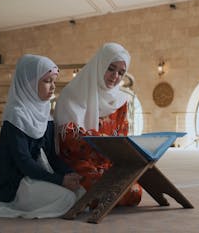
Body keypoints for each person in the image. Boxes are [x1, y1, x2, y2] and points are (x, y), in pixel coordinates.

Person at [0, 54, 83, 218]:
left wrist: (69, 173)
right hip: (16, 184)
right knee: (67, 198)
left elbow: (51, 156)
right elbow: (24, 162)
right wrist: (59, 181)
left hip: (36, 177)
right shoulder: (16, 116)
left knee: (82, 192)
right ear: (29, 83)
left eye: (53, 81)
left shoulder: (45, 114)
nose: (52, 87)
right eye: (46, 81)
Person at [53, 42, 142, 206]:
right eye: (111, 68)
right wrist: (102, 141)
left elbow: (121, 136)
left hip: (107, 162)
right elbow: (69, 140)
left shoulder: (120, 101)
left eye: (121, 72)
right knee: (100, 188)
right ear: (99, 65)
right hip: (79, 161)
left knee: (134, 191)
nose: (115, 76)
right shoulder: (73, 94)